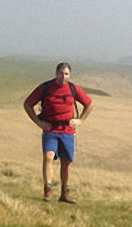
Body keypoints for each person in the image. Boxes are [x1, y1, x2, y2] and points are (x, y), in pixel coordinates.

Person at [23, 62, 94, 204]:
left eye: (66, 73)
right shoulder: (46, 88)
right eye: (61, 73)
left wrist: (80, 120)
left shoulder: (73, 89)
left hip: (67, 131)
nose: (63, 76)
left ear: (70, 75)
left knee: (66, 162)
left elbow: (89, 104)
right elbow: (28, 104)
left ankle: (65, 193)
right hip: (50, 129)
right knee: (48, 157)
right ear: (56, 73)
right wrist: (38, 122)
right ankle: (48, 191)